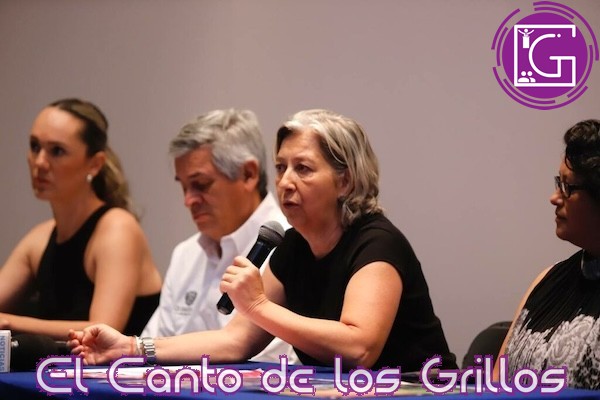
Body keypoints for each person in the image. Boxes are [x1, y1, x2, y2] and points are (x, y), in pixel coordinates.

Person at [69, 109, 457, 372]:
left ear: (345, 181)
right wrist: (132, 347)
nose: (285, 182)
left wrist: (257, 304)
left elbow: (359, 348)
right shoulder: (294, 247)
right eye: (282, 167)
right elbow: (234, 342)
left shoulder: (377, 243)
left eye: (303, 168)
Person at [141, 108, 296, 363]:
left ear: (248, 174)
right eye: (183, 186)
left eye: (200, 184)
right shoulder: (186, 254)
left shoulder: (293, 250)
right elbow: (154, 344)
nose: (188, 200)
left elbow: (268, 361)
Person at [0, 98, 162, 339]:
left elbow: (103, 329)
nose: (40, 162)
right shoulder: (40, 238)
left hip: (122, 365)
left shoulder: (117, 229)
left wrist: (9, 322)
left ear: (95, 164)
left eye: (57, 151)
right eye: (34, 147)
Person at [493, 119, 600, 389]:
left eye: (567, 187)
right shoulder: (547, 280)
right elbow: (496, 383)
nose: (554, 198)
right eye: (557, 183)